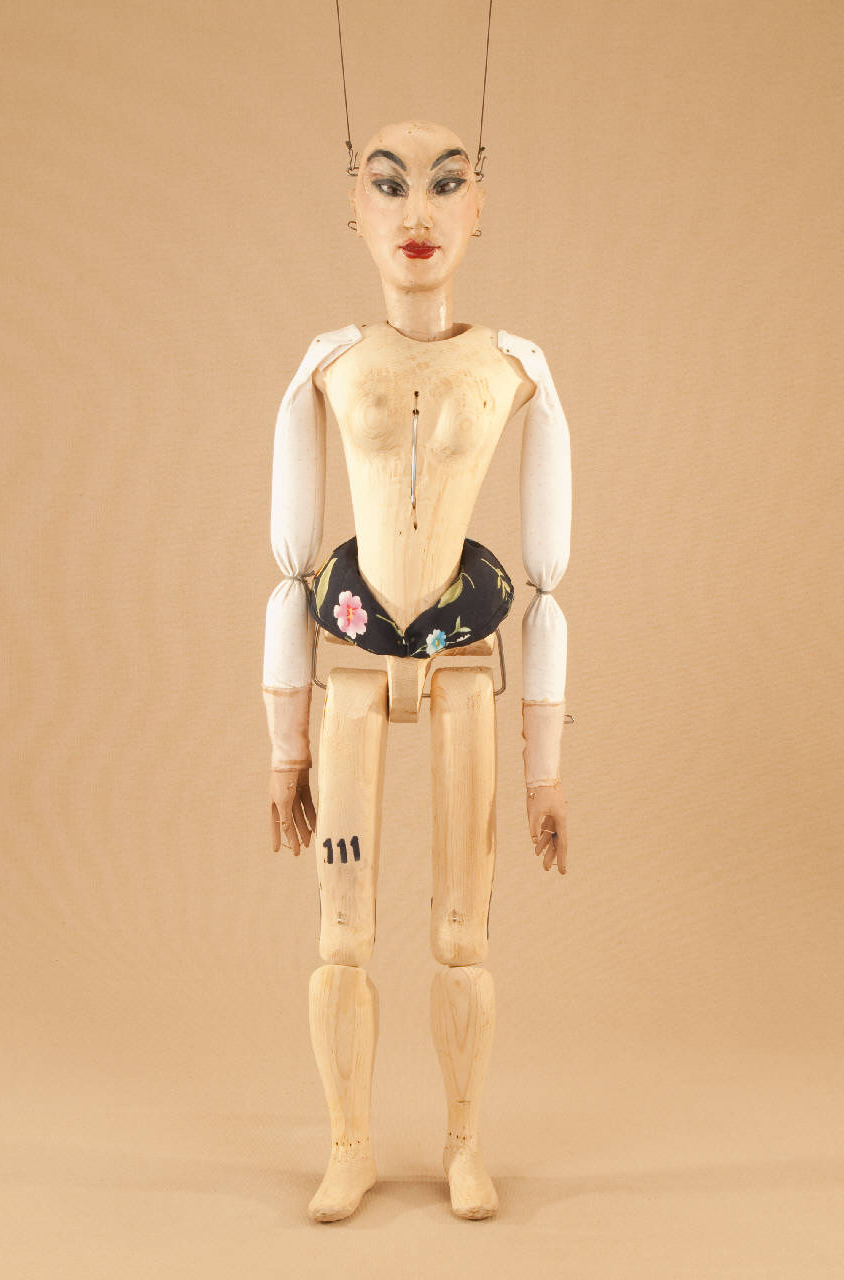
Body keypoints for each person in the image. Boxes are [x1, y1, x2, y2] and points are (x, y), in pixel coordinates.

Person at [263, 120, 571, 1221]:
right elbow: (290, 567)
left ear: (480, 207)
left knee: (460, 931)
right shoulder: (328, 366)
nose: (418, 213)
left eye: (448, 183)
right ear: (354, 208)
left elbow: (547, 583)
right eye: (387, 185)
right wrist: (285, 747)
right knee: (340, 928)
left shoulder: (514, 370)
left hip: (464, 665)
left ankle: (463, 1143)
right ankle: (348, 1143)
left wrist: (544, 770)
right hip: (351, 665)